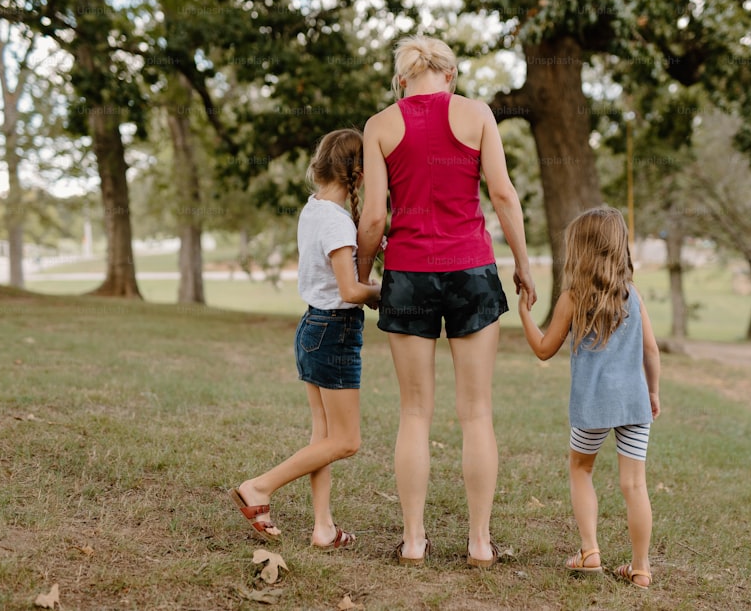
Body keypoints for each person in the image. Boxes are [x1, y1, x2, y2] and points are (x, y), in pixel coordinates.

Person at [356, 35, 537, 568]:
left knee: (414, 413)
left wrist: (363, 275)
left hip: (408, 275)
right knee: (476, 413)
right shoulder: (477, 113)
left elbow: (372, 219)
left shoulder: (380, 125)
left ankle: (414, 541)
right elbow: (503, 194)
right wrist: (523, 264)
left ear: (401, 79)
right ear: (450, 76)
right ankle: (480, 543)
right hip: (472, 272)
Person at [229, 128, 381, 550]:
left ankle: (323, 528)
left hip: (314, 327)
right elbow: (351, 292)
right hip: (334, 331)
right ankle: (259, 487)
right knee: (346, 441)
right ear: (359, 173)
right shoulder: (335, 221)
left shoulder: (314, 208)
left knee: (323, 438)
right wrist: (386, 292)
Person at [517, 207, 661, 589]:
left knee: (581, 470)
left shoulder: (573, 297)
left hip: (591, 407)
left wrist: (524, 315)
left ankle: (590, 551)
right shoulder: (633, 296)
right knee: (634, 485)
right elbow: (651, 351)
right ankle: (641, 568)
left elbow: (545, 349)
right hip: (634, 404)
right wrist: (653, 392)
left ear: (579, 250)